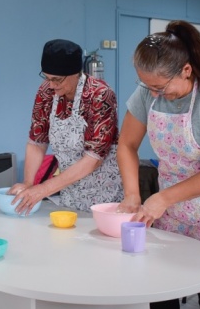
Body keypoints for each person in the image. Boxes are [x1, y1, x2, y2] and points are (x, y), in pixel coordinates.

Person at [116, 20, 200, 309]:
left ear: (186, 71)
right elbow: (126, 145)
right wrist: (132, 195)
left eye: (160, 87)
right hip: (171, 206)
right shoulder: (148, 92)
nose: (153, 94)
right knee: (162, 287)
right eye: (146, 85)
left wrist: (163, 197)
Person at [8, 39, 123, 214]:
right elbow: (37, 142)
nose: (51, 85)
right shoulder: (46, 92)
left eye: (57, 80)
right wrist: (28, 183)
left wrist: (43, 189)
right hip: (69, 192)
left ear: (76, 73)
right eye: (47, 78)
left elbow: (93, 158)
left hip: (103, 194)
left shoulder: (99, 95)